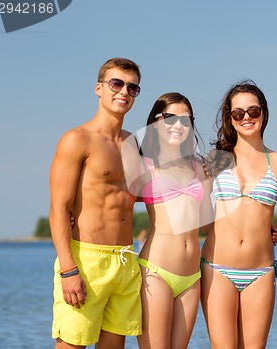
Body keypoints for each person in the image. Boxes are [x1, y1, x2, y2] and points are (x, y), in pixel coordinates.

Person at [49, 57, 143, 348]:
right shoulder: (77, 139)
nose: (124, 92)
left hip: (125, 261)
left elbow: (150, 195)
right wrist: (68, 270)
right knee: (71, 344)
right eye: (116, 83)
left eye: (132, 88)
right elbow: (58, 210)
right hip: (86, 261)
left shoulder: (134, 145)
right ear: (99, 88)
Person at [200, 81, 277, 348]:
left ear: (264, 112)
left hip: (260, 272)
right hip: (217, 269)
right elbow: (201, 218)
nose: (246, 118)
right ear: (230, 118)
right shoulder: (215, 159)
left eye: (253, 111)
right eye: (238, 113)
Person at [126, 92, 213, 349]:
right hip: (156, 272)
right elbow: (114, 199)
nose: (178, 125)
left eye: (185, 120)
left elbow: (209, 224)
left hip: (191, 276)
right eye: (170, 118)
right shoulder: (144, 165)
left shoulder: (199, 167)